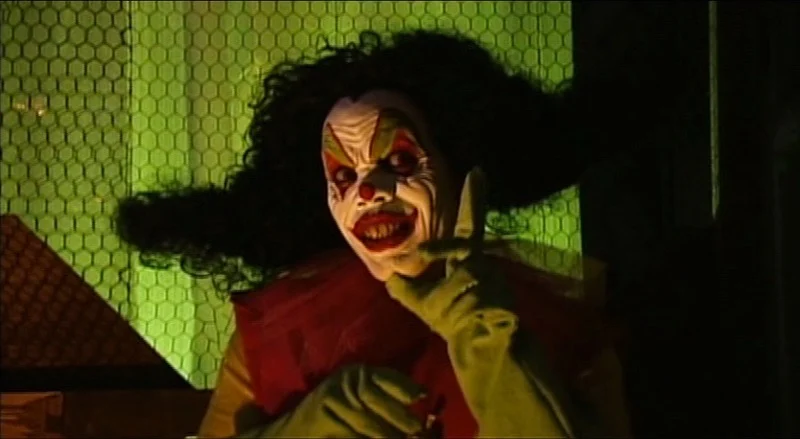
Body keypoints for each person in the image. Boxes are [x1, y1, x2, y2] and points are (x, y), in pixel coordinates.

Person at [116, 30, 630, 438]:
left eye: (400, 161)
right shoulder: (281, 331)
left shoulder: (559, 326)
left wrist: (490, 343)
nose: (367, 192)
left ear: (458, 169)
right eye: (343, 175)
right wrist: (303, 428)